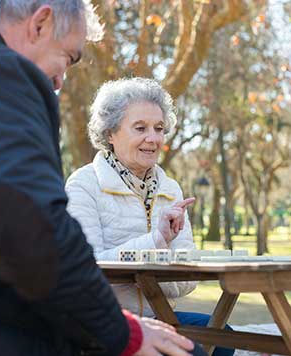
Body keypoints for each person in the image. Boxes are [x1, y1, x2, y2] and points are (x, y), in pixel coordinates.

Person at [0, 1, 199, 355]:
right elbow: (30, 231)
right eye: (68, 58)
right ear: (40, 23)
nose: (60, 81)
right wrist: (122, 332)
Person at [65, 77, 234, 356]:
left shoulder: (170, 189)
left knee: (222, 338)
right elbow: (87, 269)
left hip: (160, 317)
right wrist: (156, 242)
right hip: (104, 324)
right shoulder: (83, 185)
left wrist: (156, 262)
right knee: (196, 351)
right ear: (110, 133)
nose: (153, 138)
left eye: (159, 128)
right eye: (140, 128)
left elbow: (188, 280)